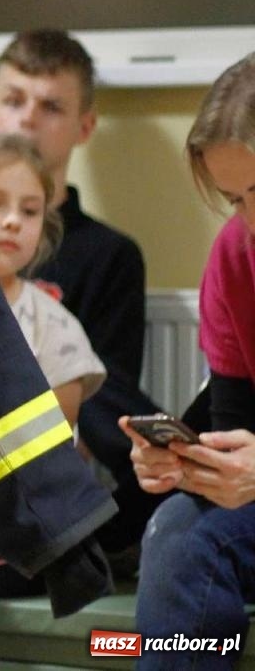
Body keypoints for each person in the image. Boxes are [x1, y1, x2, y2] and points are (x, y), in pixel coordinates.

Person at [0, 30, 158, 558]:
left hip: (64, 448)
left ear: (85, 127)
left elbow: (112, 399)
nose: (28, 119)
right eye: (14, 101)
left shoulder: (109, 255)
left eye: (50, 106)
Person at [124, 53, 255, 669]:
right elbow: (237, 420)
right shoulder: (235, 256)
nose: (249, 222)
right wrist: (192, 461)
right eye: (234, 199)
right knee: (179, 530)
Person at [0, 134, 107, 597]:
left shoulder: (52, 323)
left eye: (29, 211)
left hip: (18, 508)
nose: (11, 221)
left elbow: (53, 443)